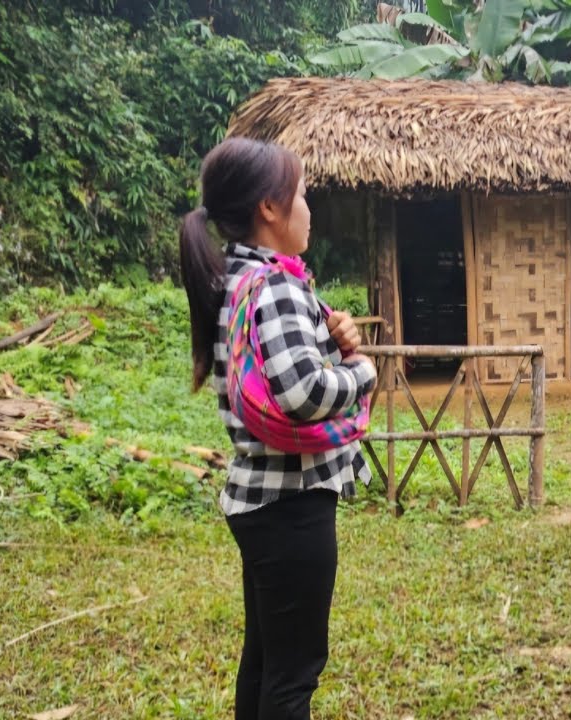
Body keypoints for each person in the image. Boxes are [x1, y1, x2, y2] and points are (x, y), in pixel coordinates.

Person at [179, 137, 376, 720]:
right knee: (294, 676)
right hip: (292, 505)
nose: (310, 210)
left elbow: (278, 370)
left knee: (266, 663)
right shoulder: (279, 286)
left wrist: (333, 343)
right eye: (304, 196)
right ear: (270, 207)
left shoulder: (237, 280)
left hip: (257, 502)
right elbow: (303, 392)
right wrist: (361, 374)